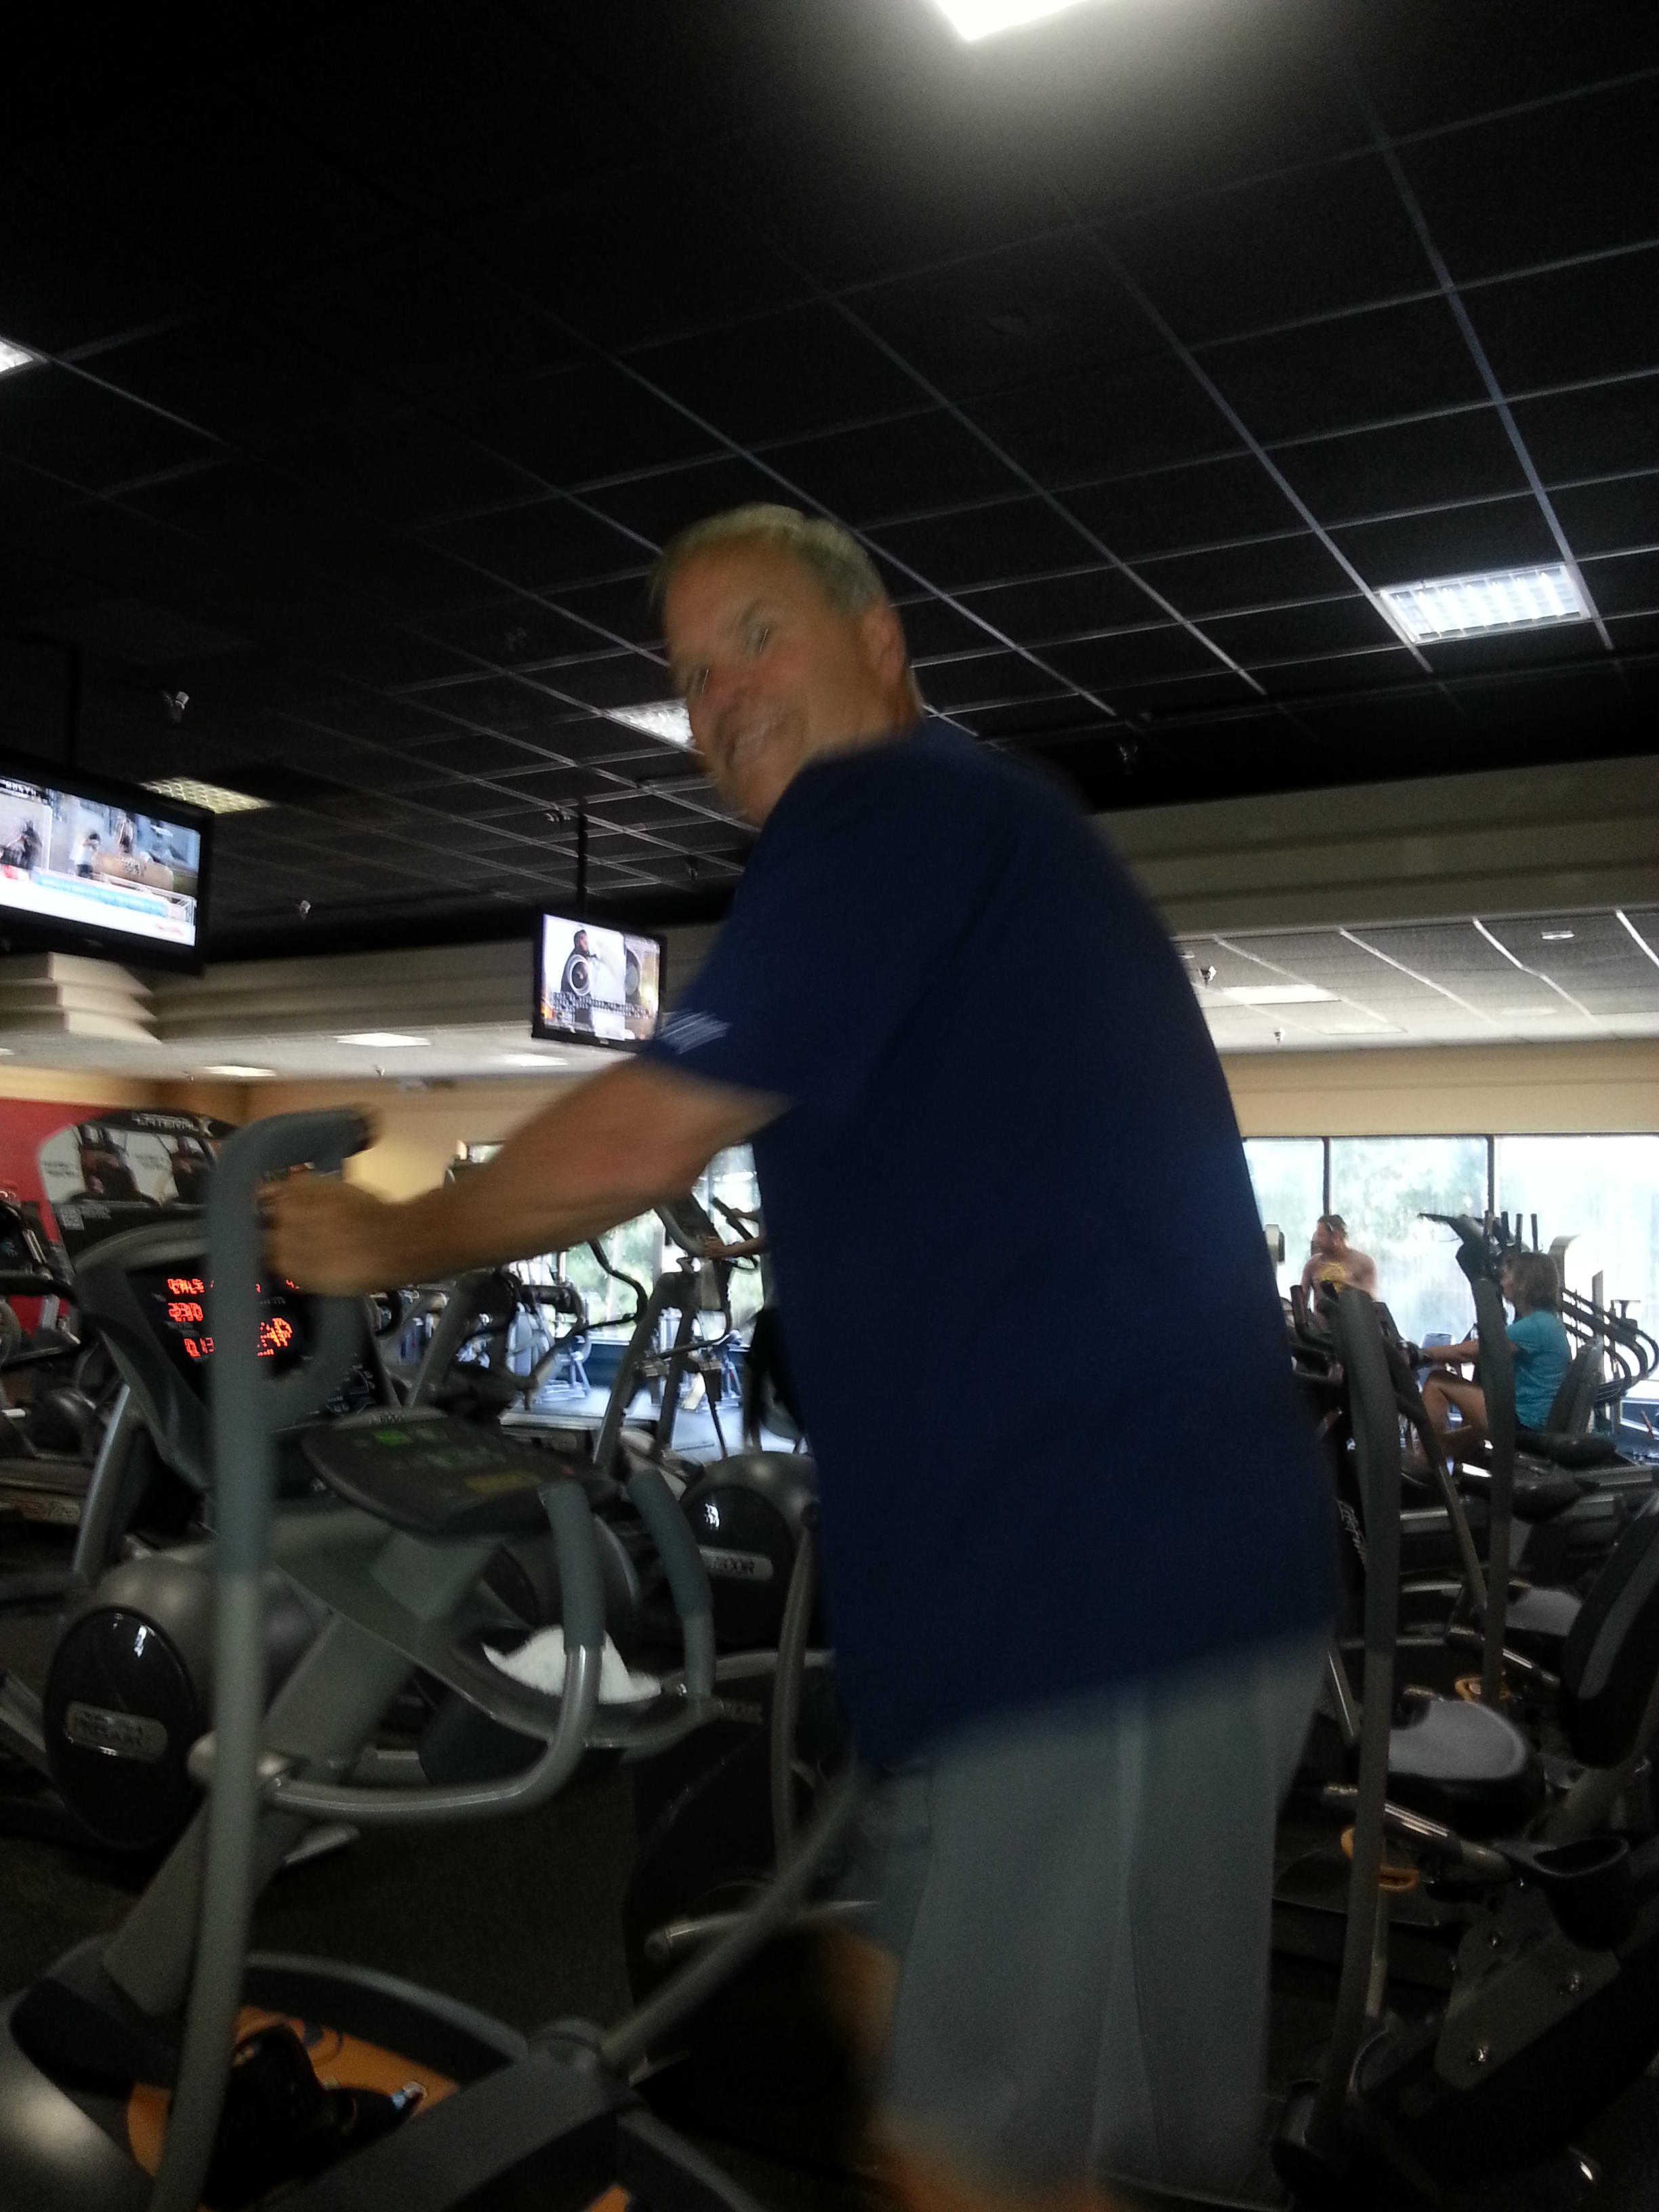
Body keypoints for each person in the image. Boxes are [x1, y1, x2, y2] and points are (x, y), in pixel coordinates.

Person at [268, 504, 1335, 2212]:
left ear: (880, 641)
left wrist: (380, 1239)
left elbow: (645, 1134)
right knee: (915, 2019)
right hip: (1059, 1601)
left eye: (753, 637)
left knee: (993, 2157)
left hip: (1092, 1602)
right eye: (690, 675)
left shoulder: (890, 807)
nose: (719, 697)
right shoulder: (965, 834)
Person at [1421, 1249, 1573, 1457]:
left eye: (1507, 1275)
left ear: (1523, 1283)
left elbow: (1465, 1354)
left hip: (1524, 1422)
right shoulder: (1547, 1321)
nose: (1501, 1282)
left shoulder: (1534, 1326)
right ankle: (1430, 1461)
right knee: (1449, 1444)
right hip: (1535, 1419)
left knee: (1437, 1381)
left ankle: (1426, 1465)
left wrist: (1416, 1353)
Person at [1299, 1212, 1377, 1300]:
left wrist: (1346, 1283)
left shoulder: (1363, 1263)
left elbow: (1371, 1297)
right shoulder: (1313, 1264)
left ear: (1336, 1236)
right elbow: (1301, 1301)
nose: (1317, 1240)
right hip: (1323, 1310)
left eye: (1321, 1235)